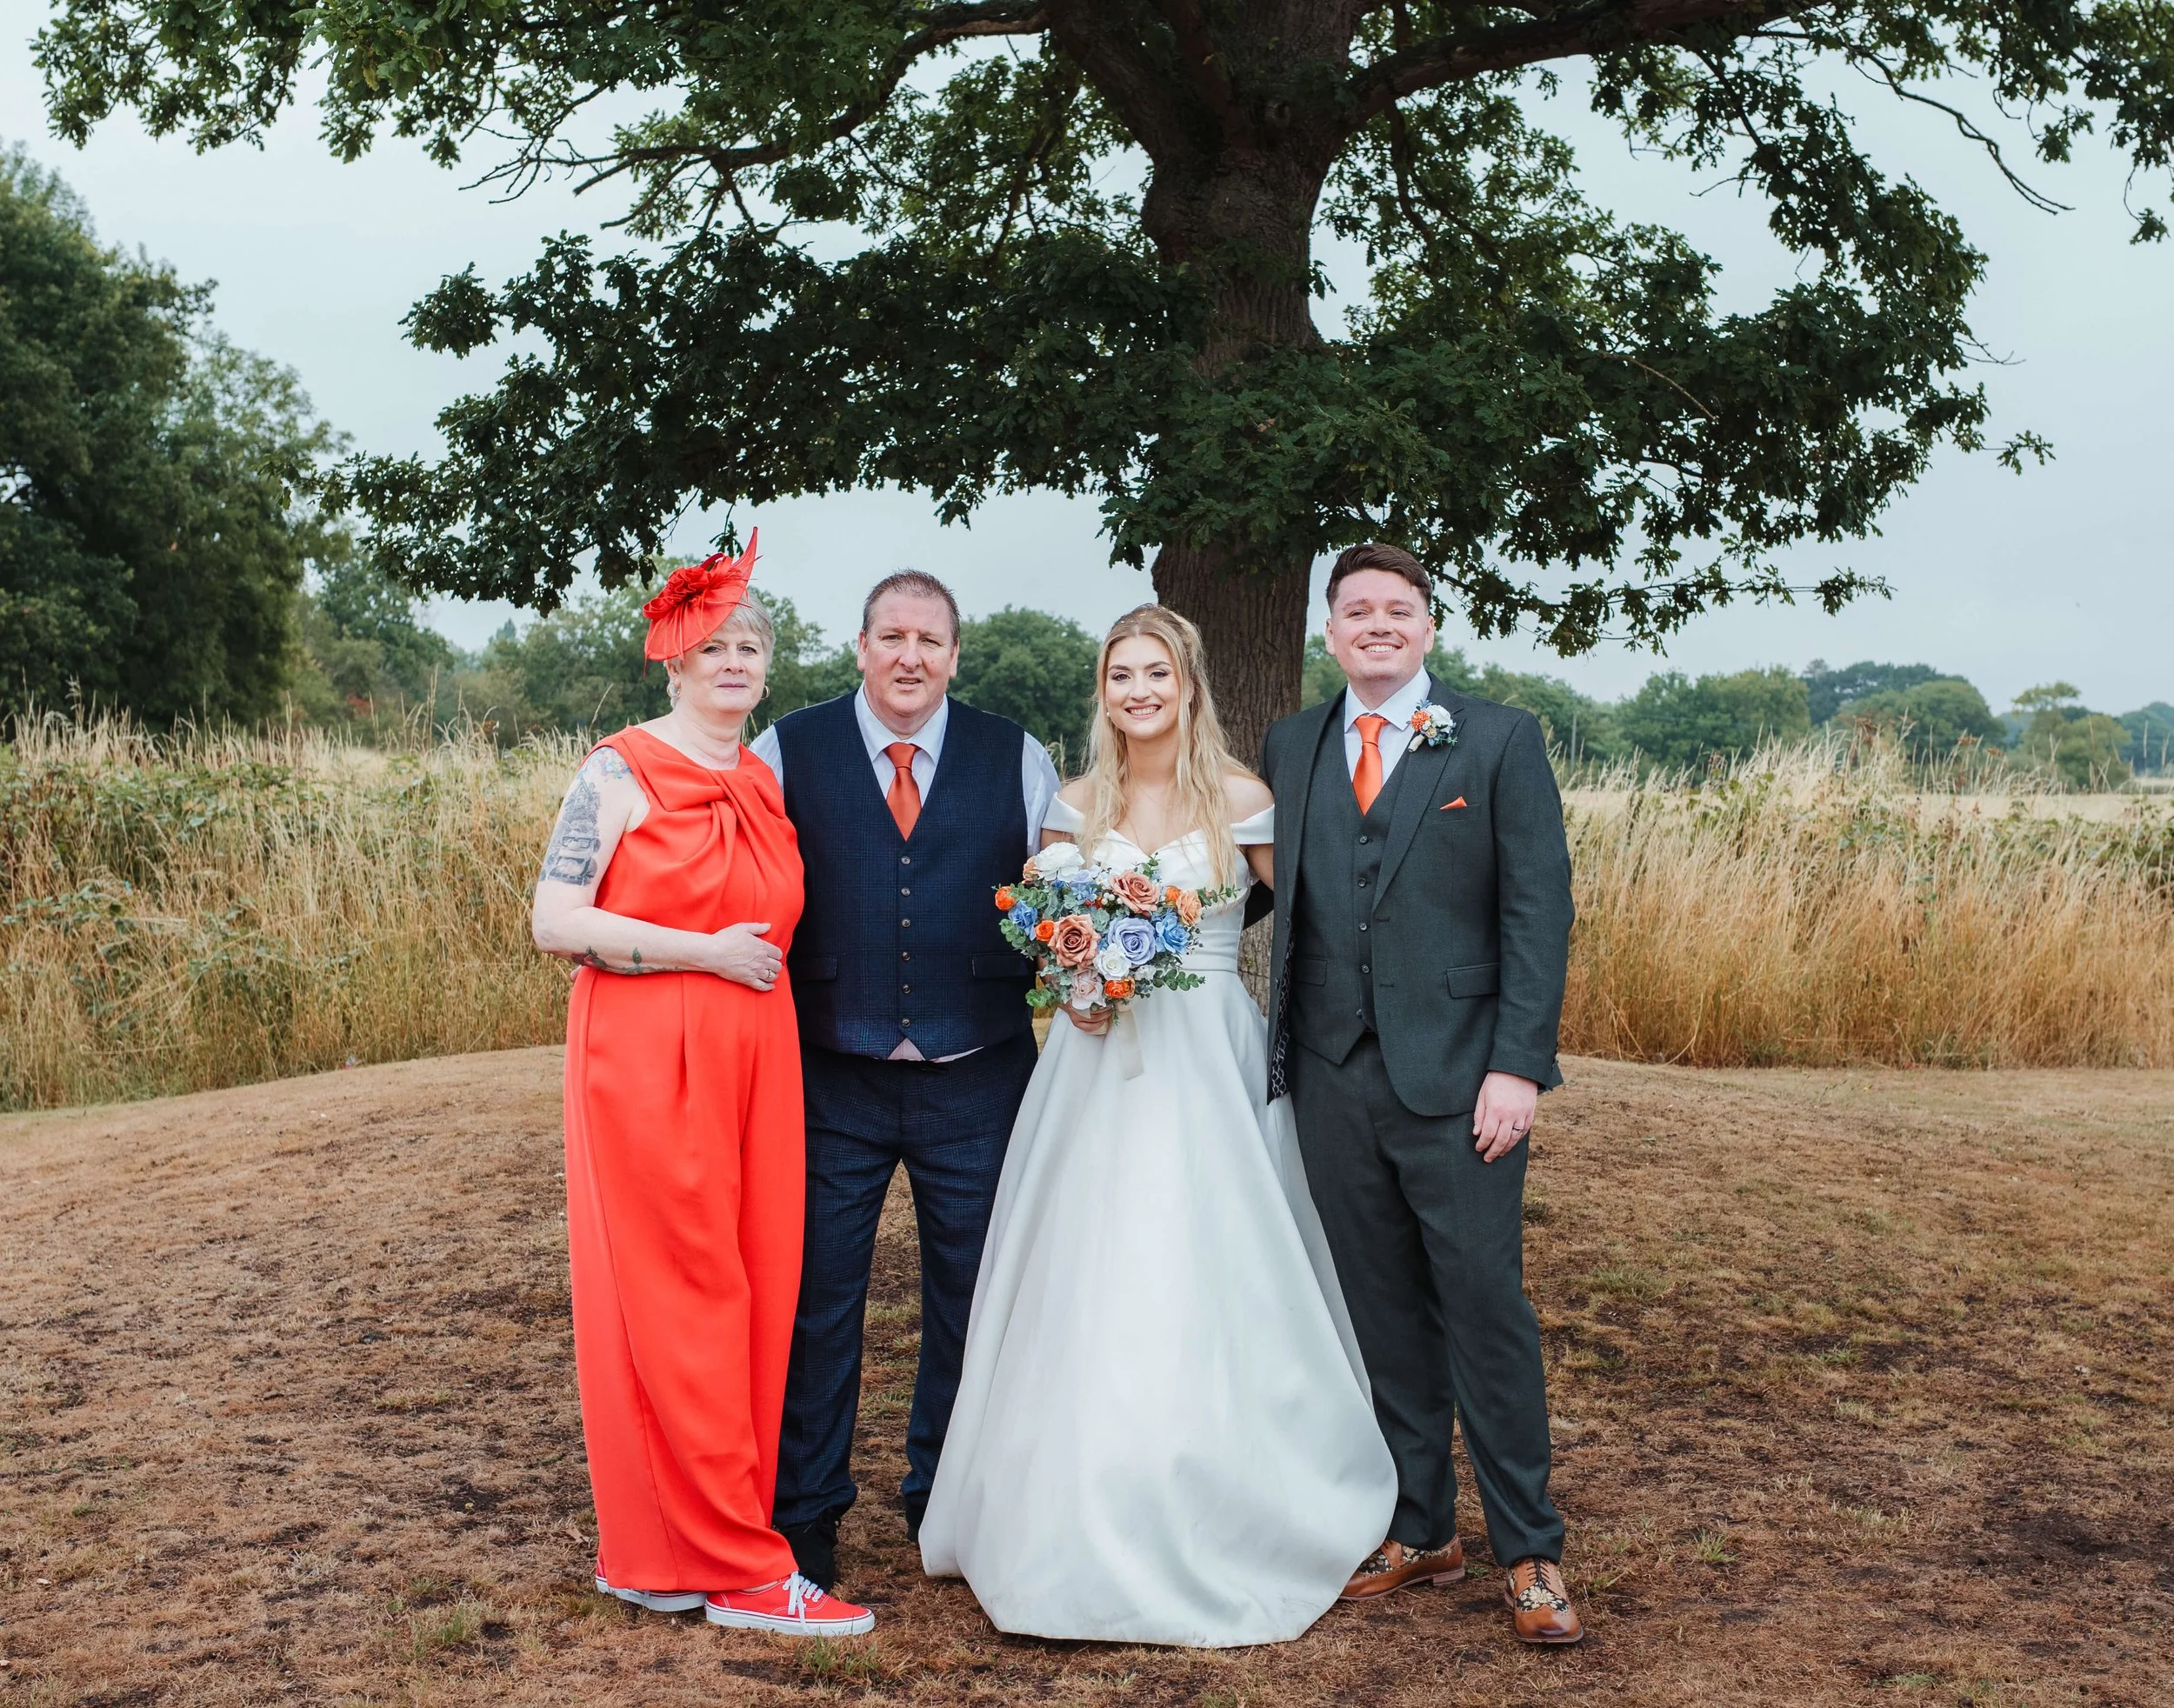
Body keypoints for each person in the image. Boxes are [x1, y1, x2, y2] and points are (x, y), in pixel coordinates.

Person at [918, 604, 1397, 1648]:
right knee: (1087, 1272)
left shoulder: (1241, 800)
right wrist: (1074, 984)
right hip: (1095, 1063)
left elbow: (1317, 922)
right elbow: (1046, 941)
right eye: (1119, 675)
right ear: (1104, 691)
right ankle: (1065, 1507)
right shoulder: (1073, 802)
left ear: (1188, 684)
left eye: (1155, 673)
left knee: (1205, 1265)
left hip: (1206, 1059)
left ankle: (1230, 1491)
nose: (1137, 690)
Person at [530, 536, 874, 1638]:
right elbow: (556, 920)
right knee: (683, 1299)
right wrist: (700, 952)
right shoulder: (619, 770)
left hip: (755, 1057)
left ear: (769, 667)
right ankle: (739, 1567)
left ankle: (664, 1550)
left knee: (755, 1288)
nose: (733, 660)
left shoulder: (760, 777)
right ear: (671, 661)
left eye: (751, 645)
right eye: (711, 645)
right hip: (649, 1053)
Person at [1258, 542, 1582, 1645]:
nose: (1378, 625)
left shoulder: (1497, 738)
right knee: (1380, 1308)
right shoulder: (1293, 742)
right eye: (1357, 610)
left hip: (1462, 1082)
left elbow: (1539, 912)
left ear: (1429, 628)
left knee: (1484, 1306)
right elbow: (1271, 897)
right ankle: (1421, 1524)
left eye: (1399, 609)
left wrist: (1517, 1065)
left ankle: (1529, 1549)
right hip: (1331, 1074)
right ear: (1331, 630)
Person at [748, 570, 1061, 1592]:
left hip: (977, 1070)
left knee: (973, 1299)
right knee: (816, 1298)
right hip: (826, 1070)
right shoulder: (784, 749)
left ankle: (949, 1500)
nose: (911, 656)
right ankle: (805, 1517)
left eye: (930, 639)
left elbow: (1058, 900)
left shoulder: (1017, 756)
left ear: (955, 654)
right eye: (892, 636)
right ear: (860, 645)